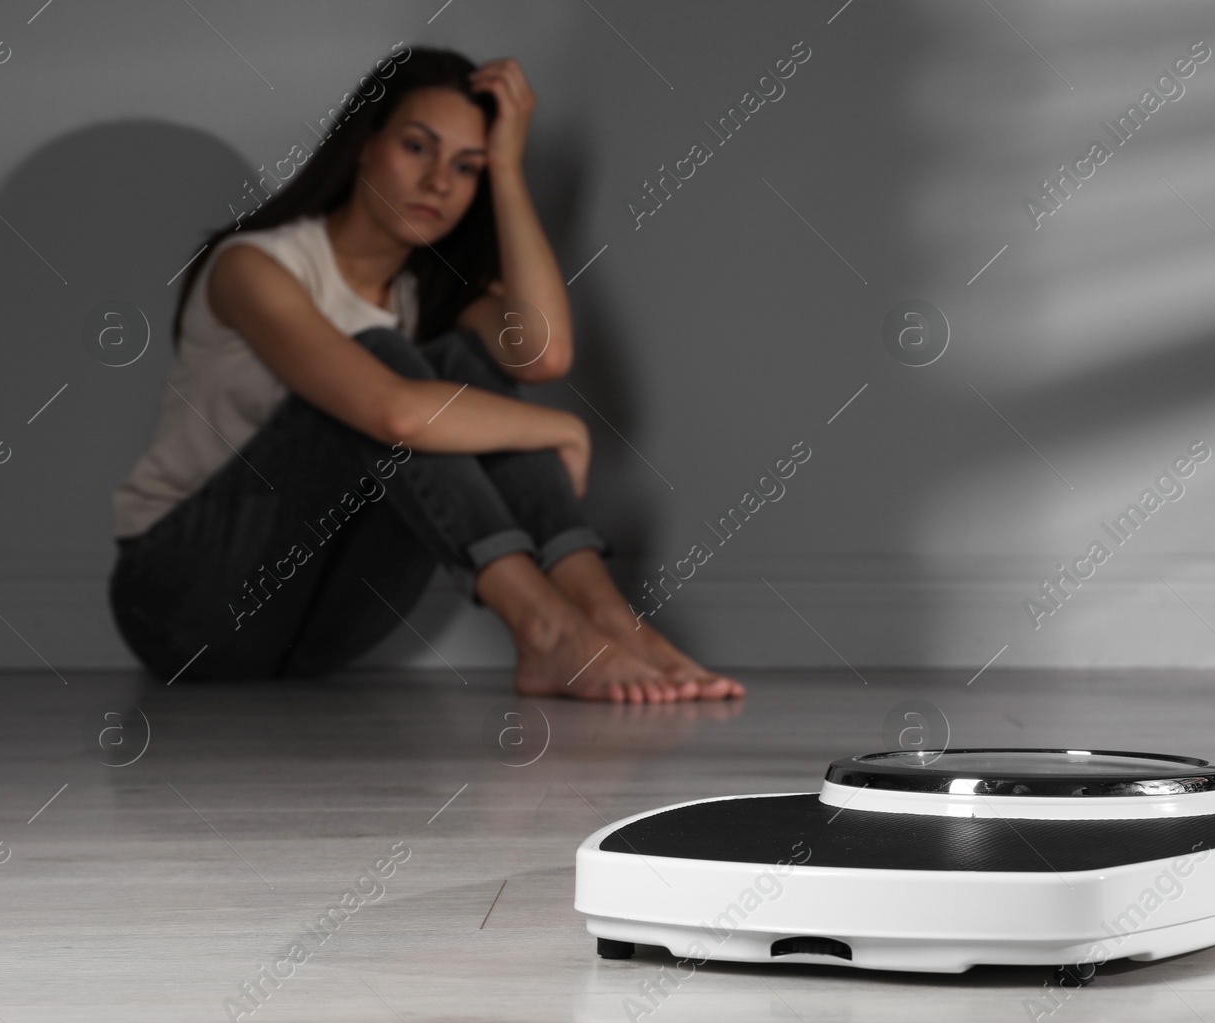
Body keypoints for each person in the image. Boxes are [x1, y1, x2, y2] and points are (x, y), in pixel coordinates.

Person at [107, 44, 742, 703]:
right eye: (418, 147)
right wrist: (556, 427)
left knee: (461, 365)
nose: (441, 181)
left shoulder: (429, 293)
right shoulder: (256, 267)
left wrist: (507, 172)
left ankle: (605, 614)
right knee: (382, 363)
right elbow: (395, 412)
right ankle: (545, 626)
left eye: (466, 166)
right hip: (185, 601)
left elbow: (543, 354)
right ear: (363, 144)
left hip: (319, 629)